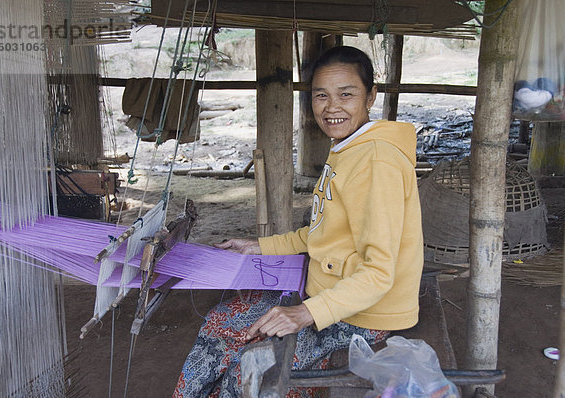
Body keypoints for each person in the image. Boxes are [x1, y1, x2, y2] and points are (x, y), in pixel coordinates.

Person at [173, 45, 423, 398]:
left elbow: (380, 272)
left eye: (346, 95)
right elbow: (323, 232)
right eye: (321, 95)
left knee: (252, 369)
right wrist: (259, 246)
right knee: (221, 323)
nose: (332, 107)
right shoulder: (349, 149)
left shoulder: (376, 162)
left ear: (371, 96)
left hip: (364, 316)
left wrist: (303, 313)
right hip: (331, 295)